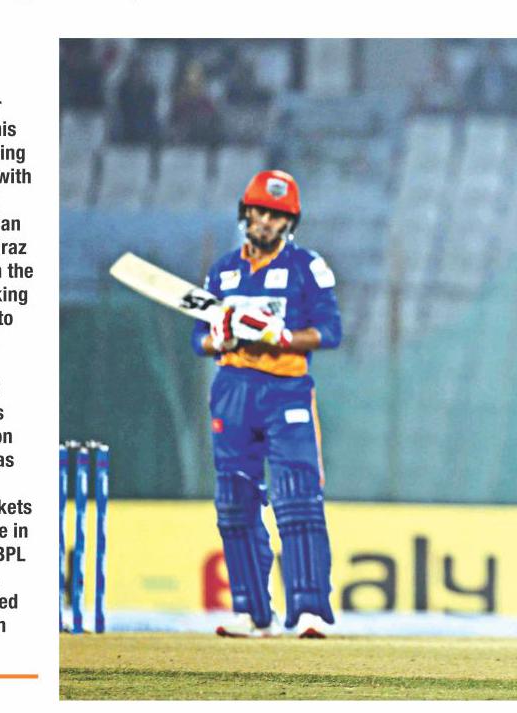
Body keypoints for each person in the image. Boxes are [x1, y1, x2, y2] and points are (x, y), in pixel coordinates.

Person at [192, 170, 342, 638]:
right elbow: (198, 339)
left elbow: (330, 332)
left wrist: (282, 336)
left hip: (286, 390)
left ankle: (310, 611)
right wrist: (218, 338)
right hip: (233, 389)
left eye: (277, 215)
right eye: (260, 211)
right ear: (246, 213)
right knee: (234, 501)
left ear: (289, 222)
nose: (267, 221)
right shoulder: (222, 271)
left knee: (297, 496)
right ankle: (253, 612)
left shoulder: (307, 267)